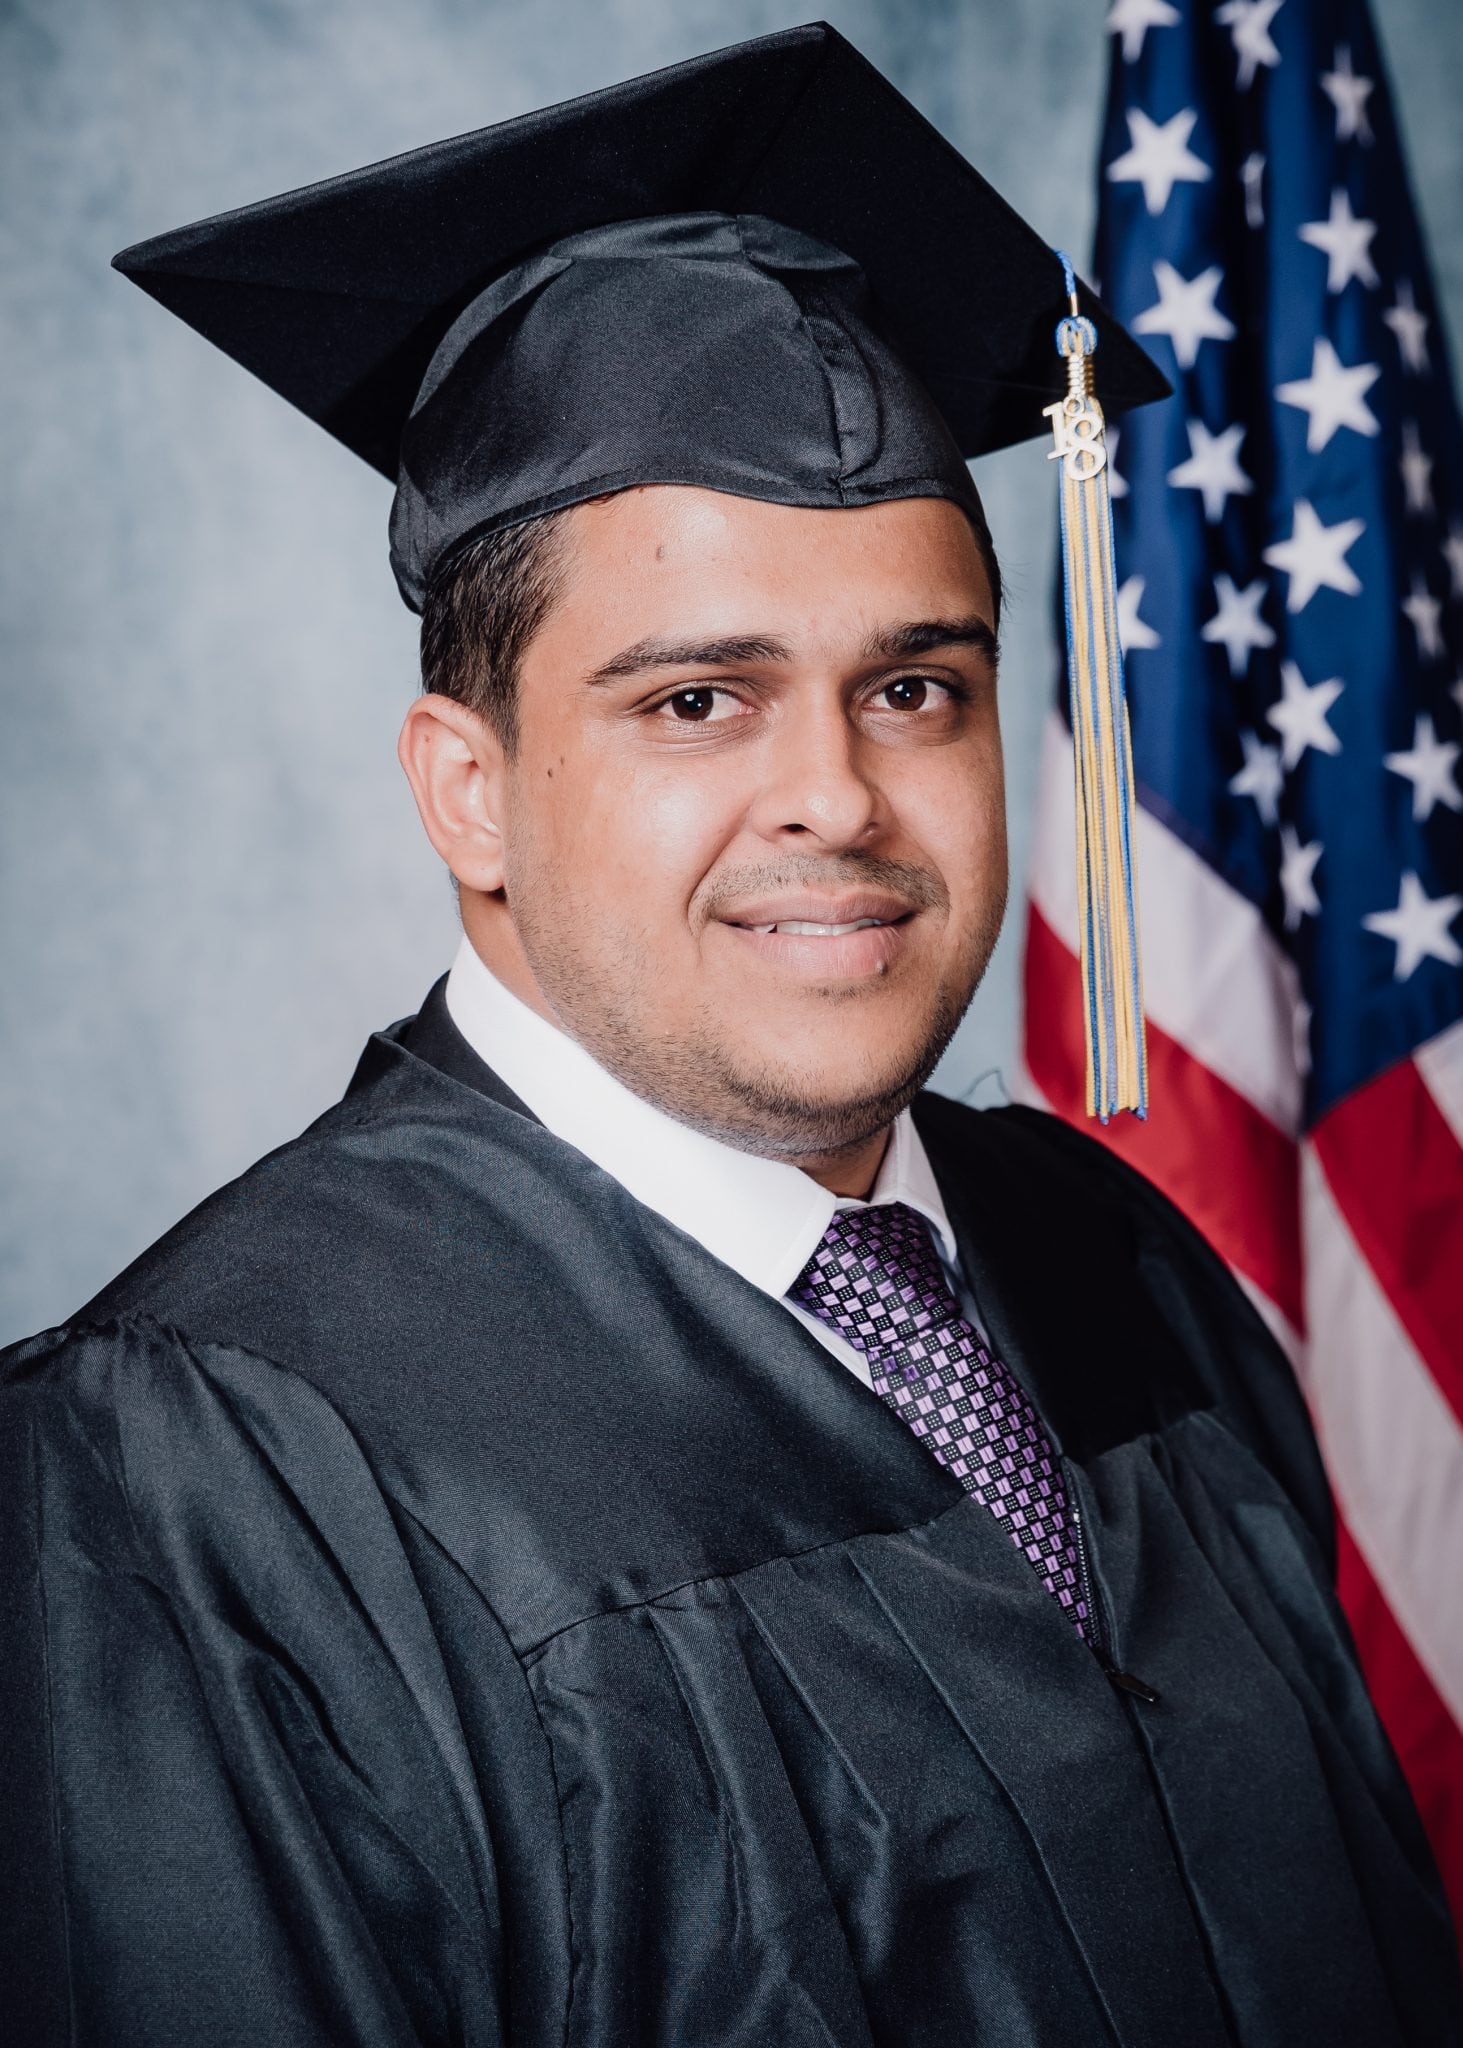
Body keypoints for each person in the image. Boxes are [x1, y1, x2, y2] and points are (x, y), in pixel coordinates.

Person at [2, 23, 1459, 2048]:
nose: (838, 797)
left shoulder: (1122, 1264)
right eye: (699, 701)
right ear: (467, 790)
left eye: (918, 688)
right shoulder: (204, 1468)